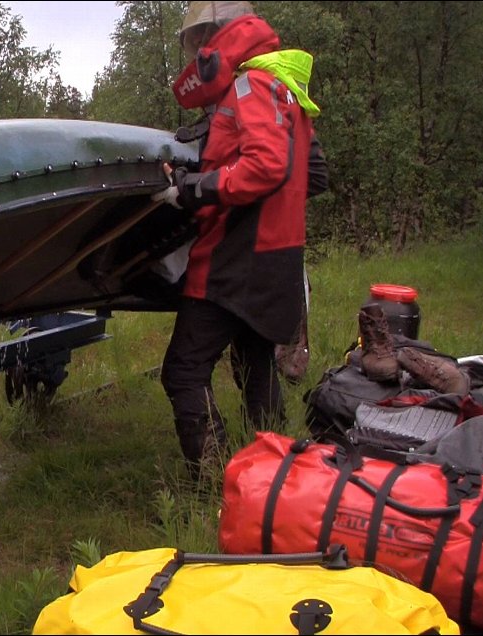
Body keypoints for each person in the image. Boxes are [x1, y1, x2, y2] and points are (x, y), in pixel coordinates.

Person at [152, 1, 327, 479]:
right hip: (279, 259)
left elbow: (266, 167)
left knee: (184, 371)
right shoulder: (285, 86)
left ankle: (214, 480)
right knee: (255, 367)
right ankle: (278, 481)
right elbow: (313, 173)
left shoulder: (248, 84)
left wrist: (193, 188)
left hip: (235, 260)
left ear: (216, 39)